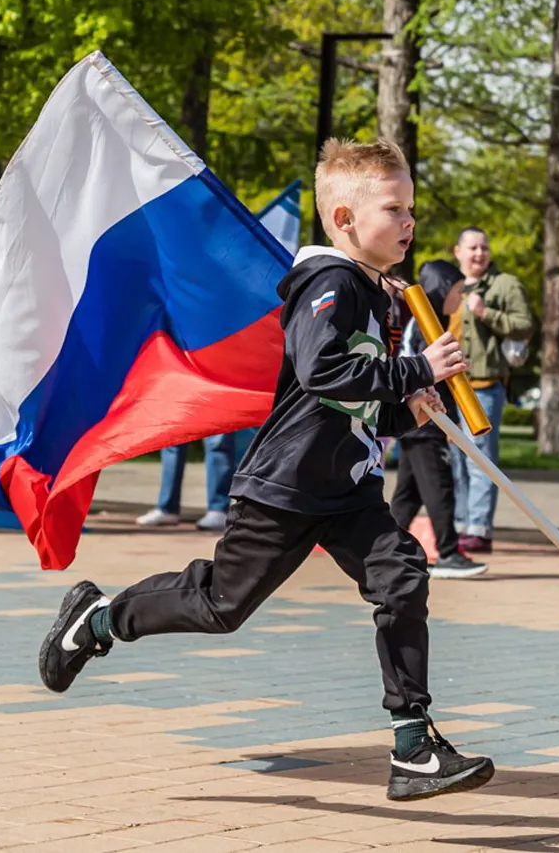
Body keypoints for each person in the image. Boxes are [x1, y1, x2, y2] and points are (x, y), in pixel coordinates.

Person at [37, 139, 494, 802]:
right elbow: (321, 370)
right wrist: (418, 369)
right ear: (343, 218)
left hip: (348, 488)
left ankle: (413, 747)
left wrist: (409, 413)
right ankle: (101, 618)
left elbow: (349, 402)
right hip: (287, 483)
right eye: (394, 209)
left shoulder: (373, 291)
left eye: (411, 209)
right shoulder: (331, 283)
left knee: (401, 578)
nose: (409, 223)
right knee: (220, 606)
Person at [392, 259, 487, 579]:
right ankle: (447, 552)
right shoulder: (425, 324)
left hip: (418, 421)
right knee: (439, 487)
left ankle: (382, 550)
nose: (459, 299)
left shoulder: (429, 322)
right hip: (425, 420)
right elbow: (423, 371)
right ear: (442, 289)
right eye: (457, 291)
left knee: (409, 493)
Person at [449, 227, 534, 553]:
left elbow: (525, 324)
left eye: (484, 247)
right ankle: (459, 525)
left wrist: (487, 313)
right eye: (472, 248)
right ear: (458, 251)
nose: (479, 253)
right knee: (457, 459)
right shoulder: (452, 288)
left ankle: (479, 529)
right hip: (451, 384)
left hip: (484, 384)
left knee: (479, 458)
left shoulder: (504, 284)